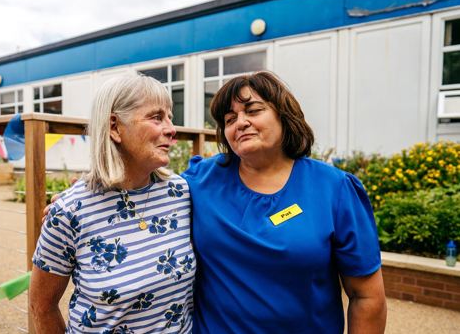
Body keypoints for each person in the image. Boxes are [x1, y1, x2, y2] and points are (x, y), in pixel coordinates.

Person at [181, 71, 386, 333]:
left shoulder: (334, 188)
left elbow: (366, 296)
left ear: (283, 114)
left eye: (253, 110)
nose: (240, 123)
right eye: (229, 119)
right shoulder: (199, 181)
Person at [30, 74, 195, 334]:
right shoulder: (69, 212)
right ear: (114, 127)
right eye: (156, 117)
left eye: (170, 117)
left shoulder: (181, 193)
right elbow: (42, 306)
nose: (171, 129)